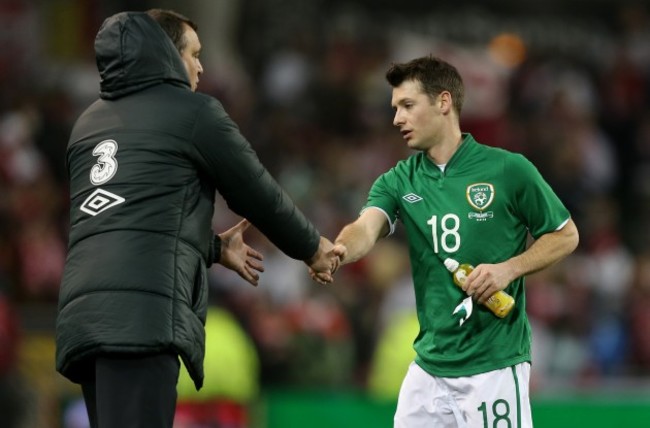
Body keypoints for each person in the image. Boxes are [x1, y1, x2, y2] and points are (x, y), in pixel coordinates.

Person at [55, 9, 338, 428]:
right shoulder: (192, 113)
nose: (202, 65)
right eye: (194, 53)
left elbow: (125, 217)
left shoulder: (86, 125)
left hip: (84, 319)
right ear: (166, 56)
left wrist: (213, 247)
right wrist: (312, 248)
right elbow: (257, 192)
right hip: (141, 319)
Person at [322, 56, 579, 427]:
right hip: (429, 368)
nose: (397, 119)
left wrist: (509, 269)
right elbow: (366, 227)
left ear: (443, 102)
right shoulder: (398, 180)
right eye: (395, 109)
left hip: (493, 366)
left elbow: (565, 235)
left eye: (407, 106)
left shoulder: (508, 170)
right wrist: (341, 249)